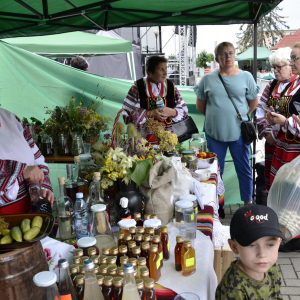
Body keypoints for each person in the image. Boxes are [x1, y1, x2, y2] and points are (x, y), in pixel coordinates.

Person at [194, 42, 259, 206]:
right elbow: (201, 106)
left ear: (235, 55)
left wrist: (239, 116)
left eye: (231, 52)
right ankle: (215, 207)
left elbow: (253, 103)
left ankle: (247, 206)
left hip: (239, 133)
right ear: (217, 58)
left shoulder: (246, 77)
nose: (228, 56)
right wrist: (218, 118)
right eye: (223, 54)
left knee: (244, 170)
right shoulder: (207, 79)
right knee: (214, 172)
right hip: (214, 134)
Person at [264, 42, 300, 252]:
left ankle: (293, 236)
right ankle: (285, 232)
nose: (291, 63)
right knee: (283, 188)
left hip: (294, 149)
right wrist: (270, 126)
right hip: (283, 144)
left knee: (293, 191)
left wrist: (284, 122)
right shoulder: (273, 86)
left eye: (293, 58)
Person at [215, 204, 284, 300]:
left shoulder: (272, 267)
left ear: (278, 243)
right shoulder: (233, 287)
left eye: (270, 245)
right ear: (234, 247)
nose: (262, 254)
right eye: (251, 245)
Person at [256, 47, 298, 192]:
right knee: (273, 181)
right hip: (272, 142)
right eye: (274, 67)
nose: (275, 71)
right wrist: (266, 131)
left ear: (289, 65)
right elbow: (260, 108)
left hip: (291, 143)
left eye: (279, 67)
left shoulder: (297, 86)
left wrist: (277, 129)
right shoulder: (272, 85)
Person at [122, 55, 188, 144]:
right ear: (150, 72)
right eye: (161, 69)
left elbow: (184, 111)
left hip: (169, 143)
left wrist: (172, 112)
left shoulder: (171, 86)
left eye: (166, 68)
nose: (165, 73)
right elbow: (126, 116)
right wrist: (149, 114)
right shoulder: (138, 87)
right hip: (142, 146)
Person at [0, 108, 54, 214]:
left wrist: (41, 189)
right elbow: (25, 170)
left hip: (29, 218)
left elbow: (38, 159)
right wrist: (21, 170)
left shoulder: (12, 119)